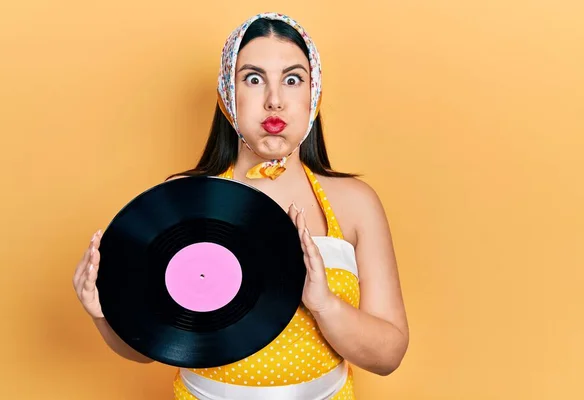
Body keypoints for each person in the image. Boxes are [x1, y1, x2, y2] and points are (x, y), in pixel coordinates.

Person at [73, 12, 409, 400]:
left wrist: (324, 305)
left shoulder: (356, 203)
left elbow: (389, 355)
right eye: (253, 79)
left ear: (313, 95)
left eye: (292, 79)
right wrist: (102, 313)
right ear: (226, 94)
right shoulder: (184, 199)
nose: (275, 100)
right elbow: (150, 346)